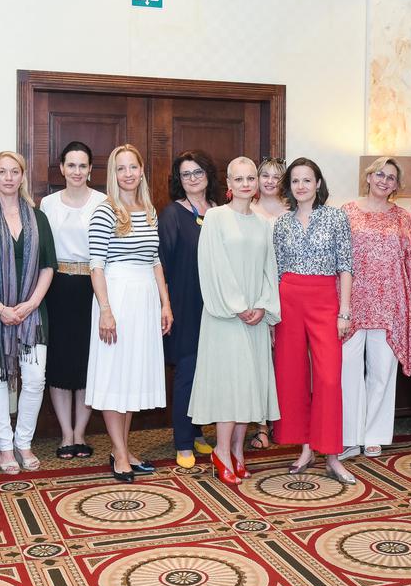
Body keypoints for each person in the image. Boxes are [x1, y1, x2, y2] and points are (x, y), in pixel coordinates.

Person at [189, 157, 281, 484]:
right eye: (238, 178)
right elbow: (212, 265)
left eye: (250, 178)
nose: (245, 184)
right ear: (228, 183)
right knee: (230, 385)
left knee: (249, 385)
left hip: (255, 317)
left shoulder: (264, 224)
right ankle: (221, 450)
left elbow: (270, 269)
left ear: (257, 183)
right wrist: (238, 306)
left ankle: (239, 451)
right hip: (225, 317)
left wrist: (263, 306)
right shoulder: (215, 217)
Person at [87, 144, 173, 482]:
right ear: (113, 173)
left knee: (132, 374)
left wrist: (165, 304)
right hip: (117, 297)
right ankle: (120, 453)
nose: (127, 174)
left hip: (145, 298)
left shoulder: (149, 210)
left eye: (132, 167)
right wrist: (105, 310)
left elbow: (155, 261)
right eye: (121, 168)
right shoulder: (105, 211)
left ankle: (121, 447)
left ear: (141, 171)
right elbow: (96, 266)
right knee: (114, 375)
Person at [0, 151, 57, 474]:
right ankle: (5, 448)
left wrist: (31, 304)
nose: (8, 177)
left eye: (14, 171)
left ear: (22, 177)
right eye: (2, 171)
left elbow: (48, 266)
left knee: (34, 380)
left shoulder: (39, 218)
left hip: (33, 314)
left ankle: (24, 443)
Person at [272, 158, 355, 483]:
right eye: (295, 181)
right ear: (289, 186)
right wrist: (274, 315)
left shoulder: (336, 217)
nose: (301, 186)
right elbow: (277, 270)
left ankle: (332, 455)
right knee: (292, 377)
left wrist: (344, 311)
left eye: (307, 180)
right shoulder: (281, 223)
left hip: (324, 301)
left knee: (329, 379)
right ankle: (306, 448)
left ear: (318, 183)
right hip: (289, 300)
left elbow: (345, 265)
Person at [340, 157, 411, 459]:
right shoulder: (346, 211)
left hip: (389, 304)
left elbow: (409, 259)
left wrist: (408, 302)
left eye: (391, 177)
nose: (384, 180)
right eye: (380, 174)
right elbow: (338, 258)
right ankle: (349, 436)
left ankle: (374, 434)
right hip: (352, 302)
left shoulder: (403, 217)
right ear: (369, 177)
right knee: (348, 372)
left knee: (382, 372)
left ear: (397, 185)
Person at [39, 141, 105, 460]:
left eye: (83, 165)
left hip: (93, 287)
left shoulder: (104, 203)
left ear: (90, 169)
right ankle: (66, 433)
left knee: (88, 362)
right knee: (61, 363)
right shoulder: (47, 204)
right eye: (71, 165)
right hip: (58, 288)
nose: (77, 171)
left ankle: (81, 432)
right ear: (62, 168)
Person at [159, 150, 222, 469]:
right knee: (187, 371)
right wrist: (166, 305)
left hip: (217, 305)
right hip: (185, 303)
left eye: (198, 172)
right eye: (186, 174)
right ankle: (183, 441)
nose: (193, 178)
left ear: (208, 175)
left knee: (208, 372)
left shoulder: (220, 212)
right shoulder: (172, 214)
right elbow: (162, 264)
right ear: (179, 180)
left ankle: (198, 431)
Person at [248, 156, 289, 454]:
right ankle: (261, 424)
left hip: (288, 292)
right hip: (256, 293)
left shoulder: (293, 211)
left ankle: (285, 422)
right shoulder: (247, 210)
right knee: (260, 361)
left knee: (286, 360)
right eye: (265, 175)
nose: (271, 181)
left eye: (277, 176)